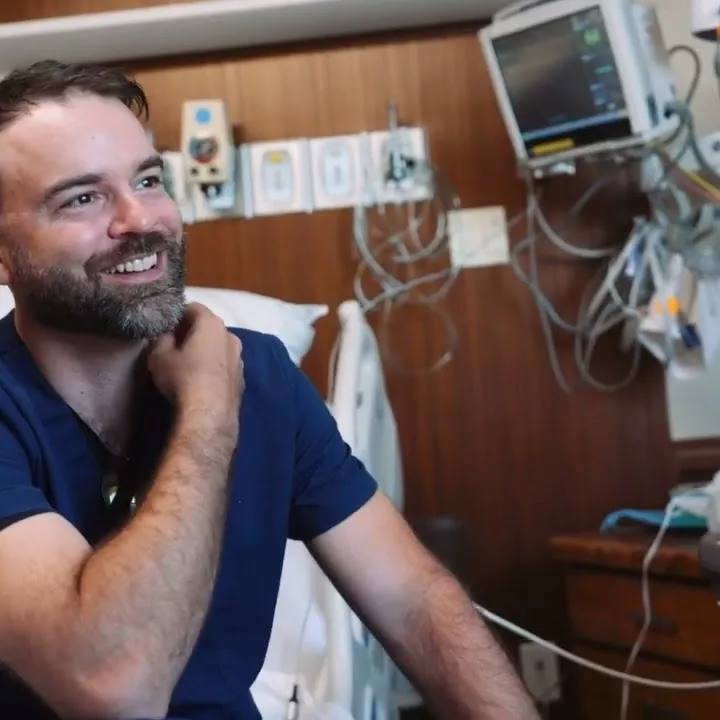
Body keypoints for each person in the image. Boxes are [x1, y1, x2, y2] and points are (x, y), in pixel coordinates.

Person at [0, 59, 539, 720]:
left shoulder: (262, 376)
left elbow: (414, 600)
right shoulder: (213, 391)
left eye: (148, 179)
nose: (140, 219)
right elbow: (115, 687)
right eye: (83, 197)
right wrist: (209, 410)